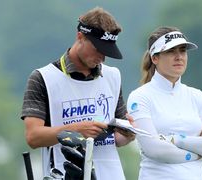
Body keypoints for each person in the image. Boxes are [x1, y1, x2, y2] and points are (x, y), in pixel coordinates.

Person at [21, 7, 135, 179]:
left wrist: (128, 134)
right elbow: (33, 137)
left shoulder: (112, 75)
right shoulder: (42, 78)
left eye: (107, 52)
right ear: (80, 36)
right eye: (98, 49)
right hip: (63, 174)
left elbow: (117, 139)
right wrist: (76, 130)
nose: (102, 58)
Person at [127, 26, 202, 180]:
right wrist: (199, 151)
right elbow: (155, 150)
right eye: (171, 51)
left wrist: (175, 140)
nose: (179, 56)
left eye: (182, 50)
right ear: (155, 58)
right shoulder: (140, 97)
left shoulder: (197, 96)